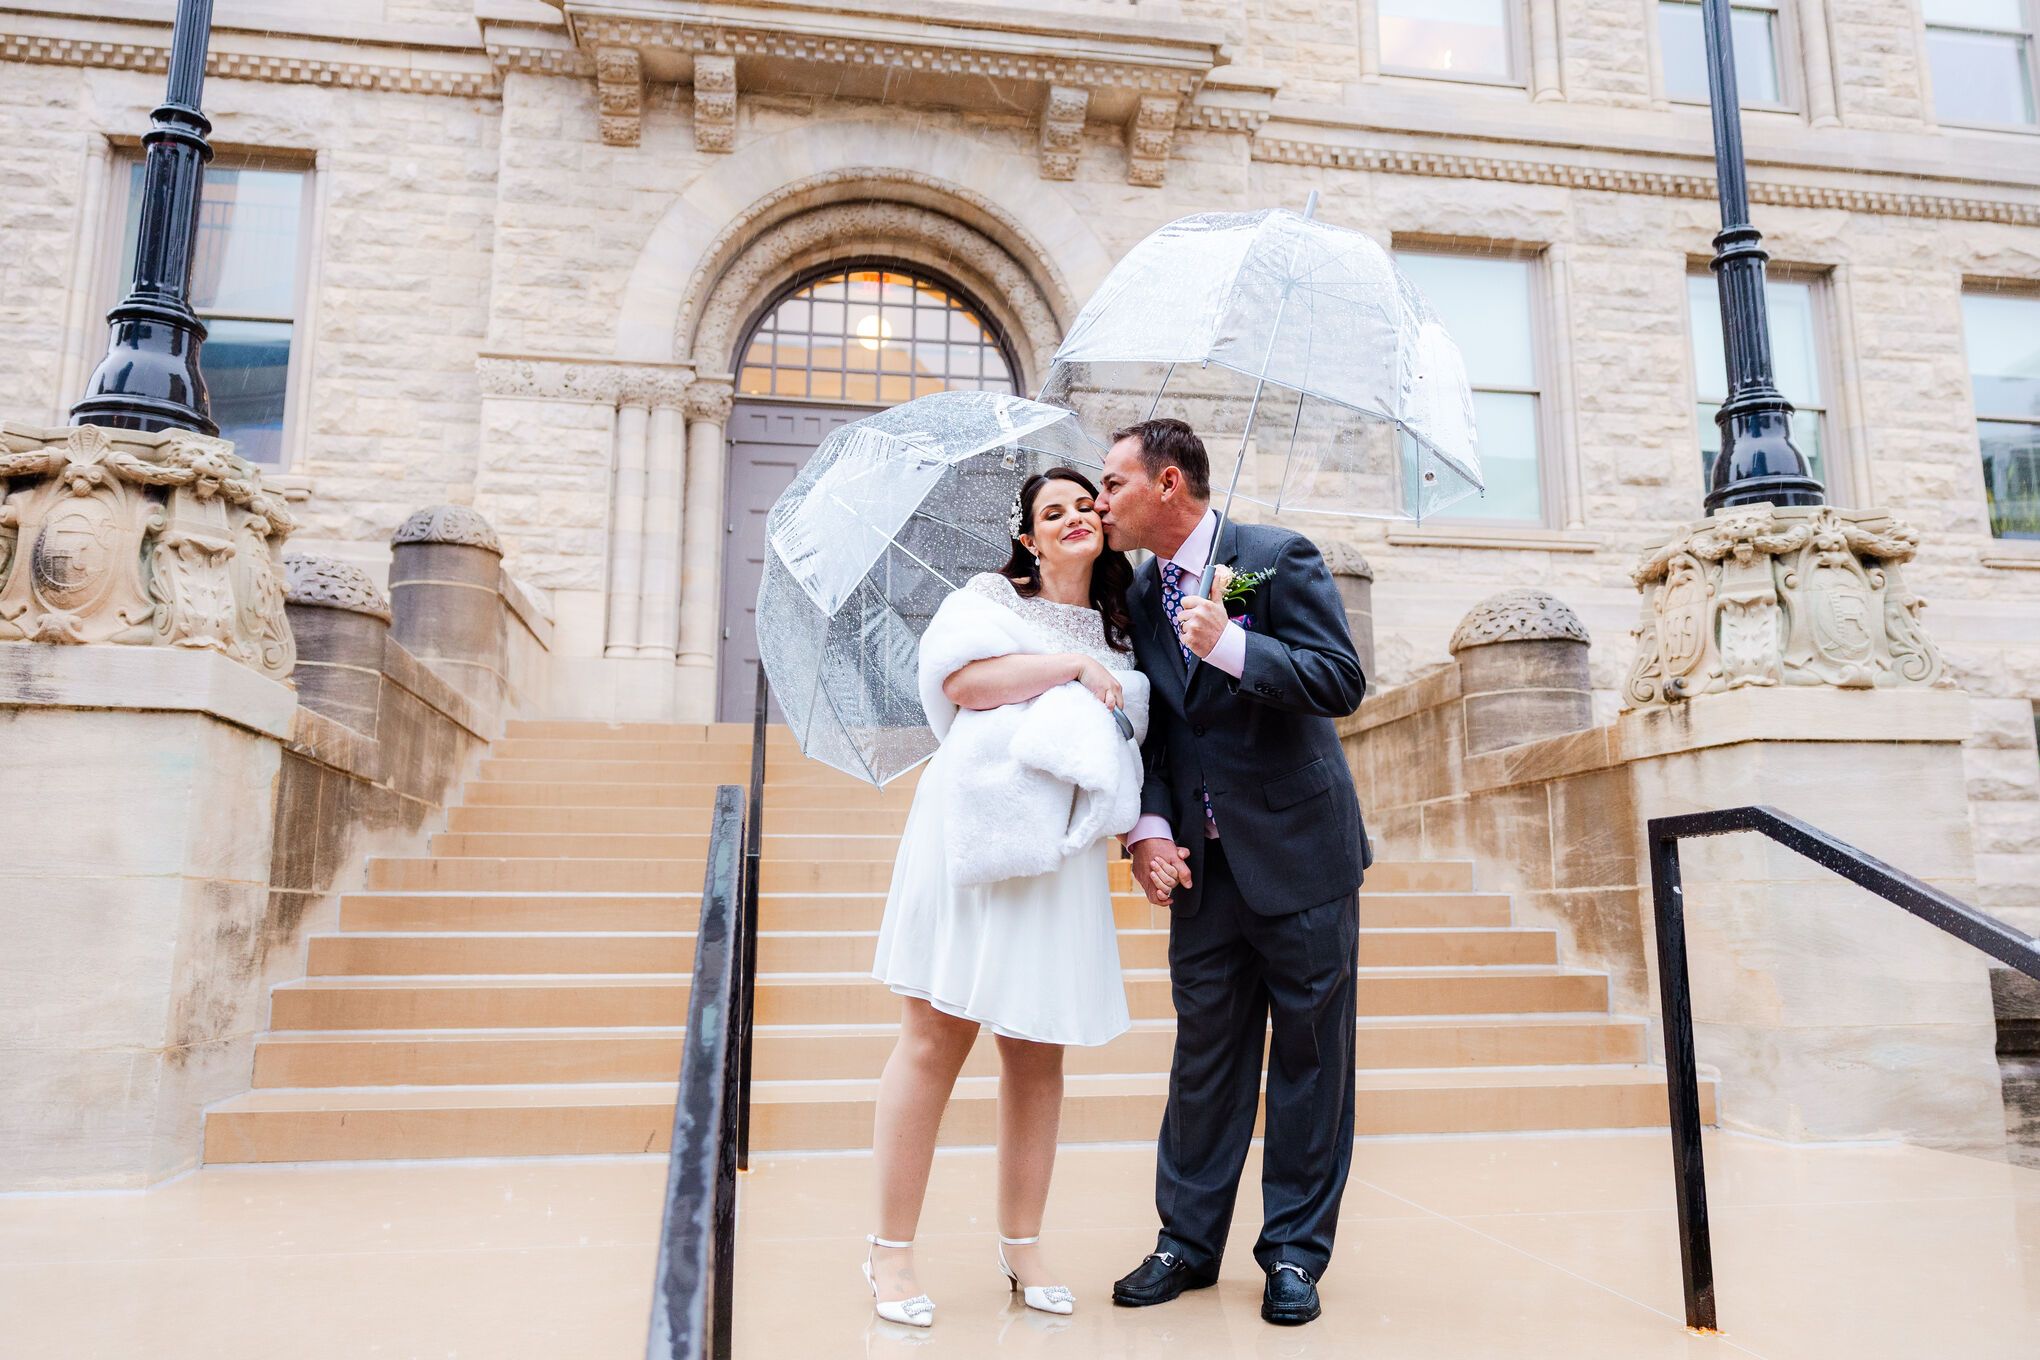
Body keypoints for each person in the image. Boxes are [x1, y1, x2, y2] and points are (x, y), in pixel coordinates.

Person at [1094, 418, 1369, 1328]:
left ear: (1168, 484)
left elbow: (1339, 680)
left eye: (1114, 482)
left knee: (1309, 1060)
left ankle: (1293, 1252)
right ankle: (1186, 1242)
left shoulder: (1270, 558)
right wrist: (1151, 828)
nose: (1103, 501)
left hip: (1300, 857)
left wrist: (1234, 647)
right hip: (1203, 873)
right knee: (1204, 1062)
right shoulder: (1136, 593)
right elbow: (1170, 729)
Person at [863, 466, 1149, 1328]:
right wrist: (1068, 667)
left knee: (1038, 1052)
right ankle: (890, 1253)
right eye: (1048, 512)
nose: (1068, 519)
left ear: (1102, 524)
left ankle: (1022, 1245)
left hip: (1057, 854)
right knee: (933, 1039)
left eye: (1080, 507)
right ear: (1027, 537)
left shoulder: (1125, 629)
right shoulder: (987, 598)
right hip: (971, 838)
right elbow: (962, 686)